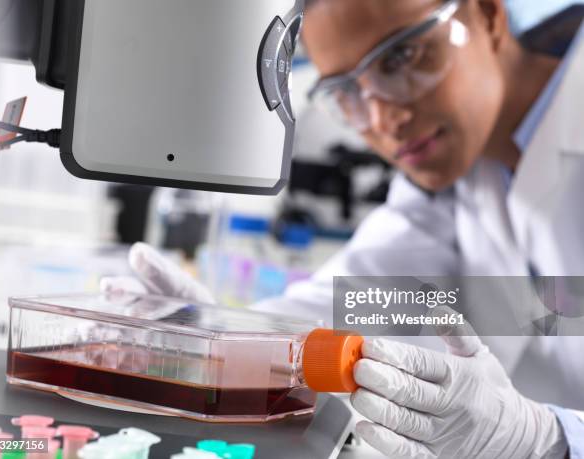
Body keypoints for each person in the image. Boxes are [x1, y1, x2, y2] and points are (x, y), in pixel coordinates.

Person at [102, 0, 584, 456]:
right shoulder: (454, 177)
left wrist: (550, 440)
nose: (382, 120)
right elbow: (360, 300)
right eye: (345, 92)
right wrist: (217, 335)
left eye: (402, 57)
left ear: (486, 13)